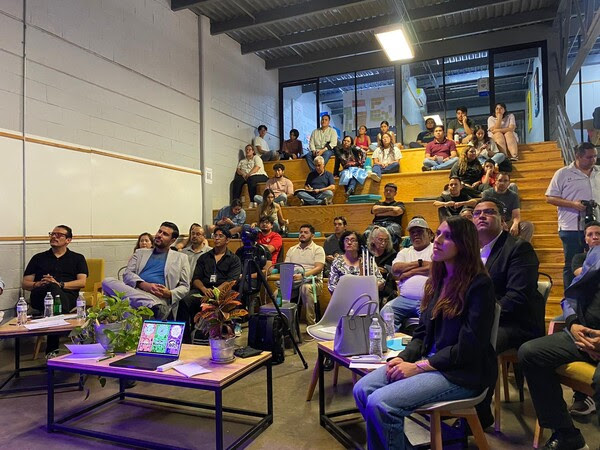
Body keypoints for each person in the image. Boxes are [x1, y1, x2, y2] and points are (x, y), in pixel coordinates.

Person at [353, 216, 497, 450]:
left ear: (464, 244)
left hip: (462, 373)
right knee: (362, 390)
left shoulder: (479, 284)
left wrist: (419, 367)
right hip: (431, 363)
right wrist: (404, 358)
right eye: (438, 233)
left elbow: (469, 347)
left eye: (447, 237)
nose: (437, 240)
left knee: (381, 403)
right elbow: (421, 332)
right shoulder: (439, 280)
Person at [518, 244, 600, 450]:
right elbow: (571, 296)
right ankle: (565, 433)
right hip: (582, 334)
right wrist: (573, 323)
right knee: (531, 353)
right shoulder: (596, 253)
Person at [472, 198, 545, 428]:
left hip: (516, 323)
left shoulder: (518, 249)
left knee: (479, 342)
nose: (482, 216)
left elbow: (516, 299)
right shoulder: (471, 251)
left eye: (489, 212)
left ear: (502, 220)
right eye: (477, 213)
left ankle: (477, 414)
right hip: (485, 319)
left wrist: (479, 318)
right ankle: (450, 401)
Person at [22, 225, 88, 356]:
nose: (54, 237)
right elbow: (25, 283)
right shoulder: (38, 258)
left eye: (59, 235)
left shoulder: (77, 258)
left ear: (68, 240)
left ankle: (51, 351)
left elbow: (82, 282)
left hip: (67, 296)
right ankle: (67, 332)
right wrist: (38, 284)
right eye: (52, 234)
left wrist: (59, 284)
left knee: (54, 293)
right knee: (51, 290)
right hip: (41, 296)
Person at [102, 222, 190, 321]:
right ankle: (153, 306)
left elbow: (185, 286)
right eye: (159, 231)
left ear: (172, 240)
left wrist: (170, 293)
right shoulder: (140, 253)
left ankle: (149, 306)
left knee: (127, 309)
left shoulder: (181, 258)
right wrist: (145, 285)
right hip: (136, 290)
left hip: (158, 296)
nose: (159, 235)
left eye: (165, 234)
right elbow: (127, 274)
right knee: (107, 281)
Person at [546, 142, 600, 289]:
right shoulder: (563, 173)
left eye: (595, 156)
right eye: (589, 157)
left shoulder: (598, 171)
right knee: (571, 262)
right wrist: (573, 204)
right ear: (578, 156)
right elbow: (549, 198)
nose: (593, 160)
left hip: (596, 227)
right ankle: (570, 297)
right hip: (571, 227)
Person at [177, 227, 241, 342]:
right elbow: (196, 278)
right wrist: (204, 290)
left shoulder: (234, 259)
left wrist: (214, 293)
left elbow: (231, 281)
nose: (217, 238)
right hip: (203, 290)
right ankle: (184, 339)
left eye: (220, 236)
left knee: (230, 300)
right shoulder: (204, 257)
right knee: (184, 301)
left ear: (227, 240)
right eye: (215, 235)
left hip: (222, 292)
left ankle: (222, 335)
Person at [568, 220, 600, 416]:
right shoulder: (579, 257)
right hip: (581, 305)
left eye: (598, 234)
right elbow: (582, 275)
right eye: (590, 234)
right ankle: (581, 396)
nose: (595, 237)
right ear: (585, 239)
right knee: (566, 319)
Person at [381, 217, 434, 332]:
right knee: (386, 311)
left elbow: (437, 268)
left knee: (430, 318)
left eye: (419, 231)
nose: (416, 234)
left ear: (429, 233)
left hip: (428, 299)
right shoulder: (405, 252)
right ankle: (392, 339)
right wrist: (421, 264)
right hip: (405, 299)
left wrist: (409, 272)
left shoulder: (435, 249)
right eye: (412, 232)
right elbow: (396, 269)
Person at [284, 224, 325, 326]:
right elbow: (286, 268)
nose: (302, 234)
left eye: (306, 232)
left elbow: (319, 268)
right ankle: (285, 324)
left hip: (313, 281)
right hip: (294, 281)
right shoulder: (292, 249)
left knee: (305, 288)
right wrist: (289, 277)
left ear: (312, 235)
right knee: (278, 293)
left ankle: (311, 324)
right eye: (301, 232)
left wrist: (303, 276)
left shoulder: (318, 249)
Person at [482, 172, 534, 242]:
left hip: (508, 222)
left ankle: (520, 247)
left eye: (505, 181)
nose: (502, 183)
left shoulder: (513, 196)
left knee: (528, 226)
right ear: (495, 181)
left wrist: (515, 224)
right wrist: (500, 223)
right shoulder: (487, 193)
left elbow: (516, 216)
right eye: (500, 180)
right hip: (492, 222)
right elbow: (486, 213)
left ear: (509, 183)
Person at [365, 183, 405, 248]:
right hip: (377, 224)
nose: (388, 192)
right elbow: (374, 210)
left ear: (395, 193)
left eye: (391, 191)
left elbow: (397, 211)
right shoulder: (378, 203)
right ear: (384, 192)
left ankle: (392, 253)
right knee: (367, 233)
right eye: (386, 190)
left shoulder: (399, 204)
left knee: (393, 232)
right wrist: (392, 209)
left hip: (392, 223)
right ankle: (371, 252)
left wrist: (380, 213)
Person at [366, 226, 397, 303]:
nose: (383, 243)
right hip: (368, 283)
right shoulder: (366, 253)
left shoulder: (392, 254)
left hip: (386, 285)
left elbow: (395, 272)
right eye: (380, 240)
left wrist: (386, 270)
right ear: (373, 239)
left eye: (386, 240)